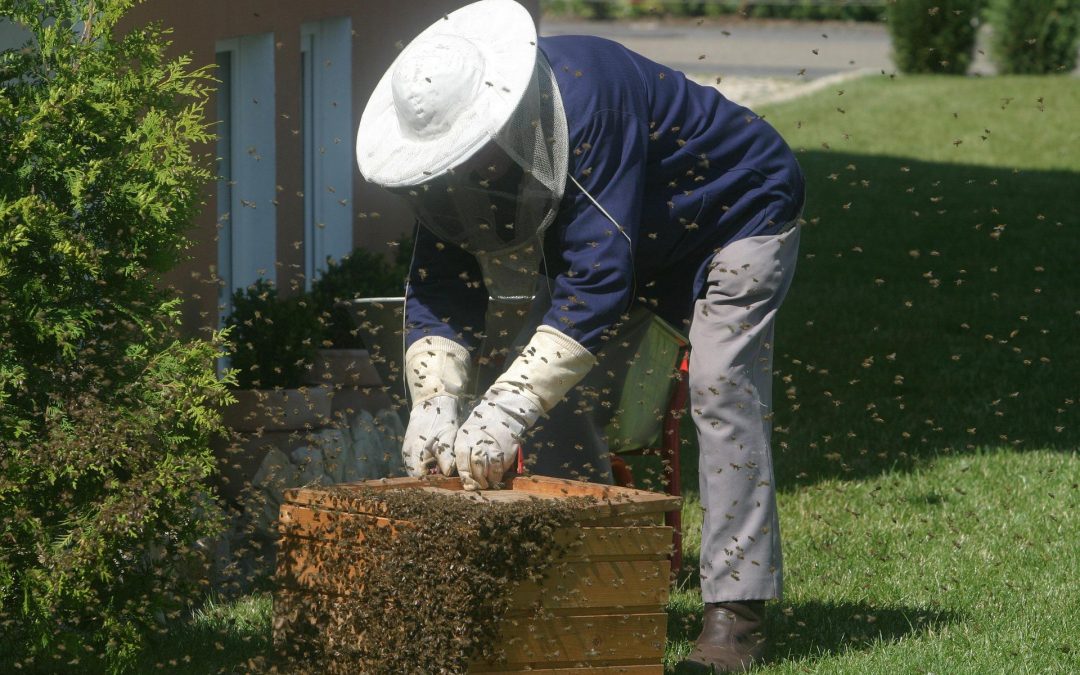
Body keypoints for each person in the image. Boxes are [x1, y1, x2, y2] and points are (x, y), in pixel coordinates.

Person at [355, 1, 804, 671]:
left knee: (720, 386)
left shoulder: (591, 100)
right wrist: (434, 403)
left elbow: (595, 281)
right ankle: (588, 577)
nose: (469, 175)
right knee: (549, 398)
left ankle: (735, 616)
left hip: (738, 210)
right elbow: (442, 287)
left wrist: (501, 410)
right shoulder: (455, 166)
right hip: (634, 236)